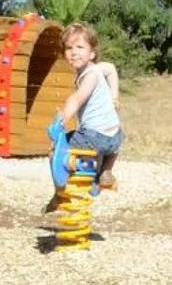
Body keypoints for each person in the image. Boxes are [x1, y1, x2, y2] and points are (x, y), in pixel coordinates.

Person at [48, 23, 123, 206]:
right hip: (115, 137)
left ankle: (61, 190)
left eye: (80, 47)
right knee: (100, 143)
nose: (74, 52)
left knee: (58, 148)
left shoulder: (89, 75)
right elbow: (112, 69)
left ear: (92, 53)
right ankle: (104, 173)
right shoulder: (99, 69)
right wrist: (114, 95)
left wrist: (63, 119)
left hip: (94, 138)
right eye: (69, 48)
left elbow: (77, 99)